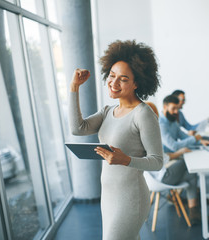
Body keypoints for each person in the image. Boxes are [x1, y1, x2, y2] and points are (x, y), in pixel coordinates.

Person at [68, 40, 163, 240]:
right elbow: (78, 129)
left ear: (137, 83)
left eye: (123, 79)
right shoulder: (108, 111)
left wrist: (125, 159)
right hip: (109, 196)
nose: (113, 83)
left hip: (131, 199)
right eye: (112, 76)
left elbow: (157, 161)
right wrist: (74, 87)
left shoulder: (143, 114)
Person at [145, 102, 203, 225]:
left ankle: (194, 212)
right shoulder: (149, 132)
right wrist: (178, 153)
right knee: (189, 164)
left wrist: (200, 141)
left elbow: (183, 140)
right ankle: (192, 205)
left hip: (161, 173)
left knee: (192, 175)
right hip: (161, 176)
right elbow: (162, 157)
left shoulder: (154, 129)